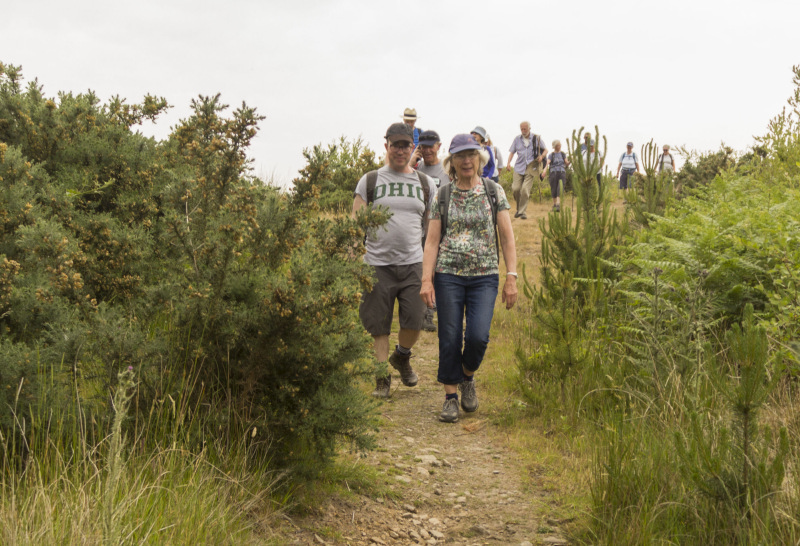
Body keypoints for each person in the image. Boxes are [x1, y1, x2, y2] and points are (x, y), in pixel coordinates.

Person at [420, 134, 518, 423]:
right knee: (449, 336)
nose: (467, 160)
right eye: (460, 156)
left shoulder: (493, 191)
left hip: (485, 275)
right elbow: (432, 242)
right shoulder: (443, 194)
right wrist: (427, 280)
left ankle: (467, 377)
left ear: (480, 158)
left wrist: (511, 276)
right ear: (452, 161)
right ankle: (450, 397)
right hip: (448, 274)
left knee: (477, 336)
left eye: (472, 155)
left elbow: (508, 238)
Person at [352, 122, 436, 398]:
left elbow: (431, 229)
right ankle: (381, 379)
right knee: (379, 325)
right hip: (376, 263)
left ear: (413, 148)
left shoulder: (425, 184)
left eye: (405, 145)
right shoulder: (371, 180)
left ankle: (402, 356)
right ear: (386, 145)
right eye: (395, 145)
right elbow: (356, 224)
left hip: (413, 262)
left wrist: (431, 266)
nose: (400, 150)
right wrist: (353, 260)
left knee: (415, 320)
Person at [410, 129, 451, 332]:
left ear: (438, 146)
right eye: (423, 146)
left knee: (436, 271)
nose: (427, 150)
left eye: (430, 146)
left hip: (440, 228)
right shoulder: (415, 168)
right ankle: (423, 313)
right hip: (418, 227)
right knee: (422, 270)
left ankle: (431, 313)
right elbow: (400, 176)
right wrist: (412, 161)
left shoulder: (446, 170)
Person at [506, 121, 547, 220]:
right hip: (519, 167)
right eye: (521, 129)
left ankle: (522, 212)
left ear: (529, 128)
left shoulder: (536, 138)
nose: (523, 131)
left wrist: (541, 156)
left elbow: (546, 150)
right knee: (516, 189)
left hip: (531, 168)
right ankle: (519, 209)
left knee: (525, 190)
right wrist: (508, 163)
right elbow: (512, 152)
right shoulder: (517, 139)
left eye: (525, 129)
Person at [543, 140, 570, 212]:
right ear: (555, 146)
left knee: (560, 188)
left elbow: (566, 162)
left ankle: (558, 204)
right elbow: (547, 163)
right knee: (554, 189)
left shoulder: (563, 154)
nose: (559, 146)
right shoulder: (551, 155)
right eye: (558, 145)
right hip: (553, 172)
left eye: (560, 145)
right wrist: (545, 170)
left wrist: (570, 161)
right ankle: (554, 205)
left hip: (562, 172)